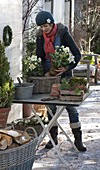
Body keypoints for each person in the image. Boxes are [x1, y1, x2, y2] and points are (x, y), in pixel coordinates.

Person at [35, 10, 86, 152]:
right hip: (50, 77)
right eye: (42, 27)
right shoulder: (40, 37)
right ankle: (53, 138)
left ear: (51, 23)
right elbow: (39, 56)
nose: (44, 29)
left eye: (46, 25)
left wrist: (67, 67)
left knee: (70, 107)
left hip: (65, 76)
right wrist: (46, 71)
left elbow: (77, 54)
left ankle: (78, 139)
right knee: (51, 107)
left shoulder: (63, 33)